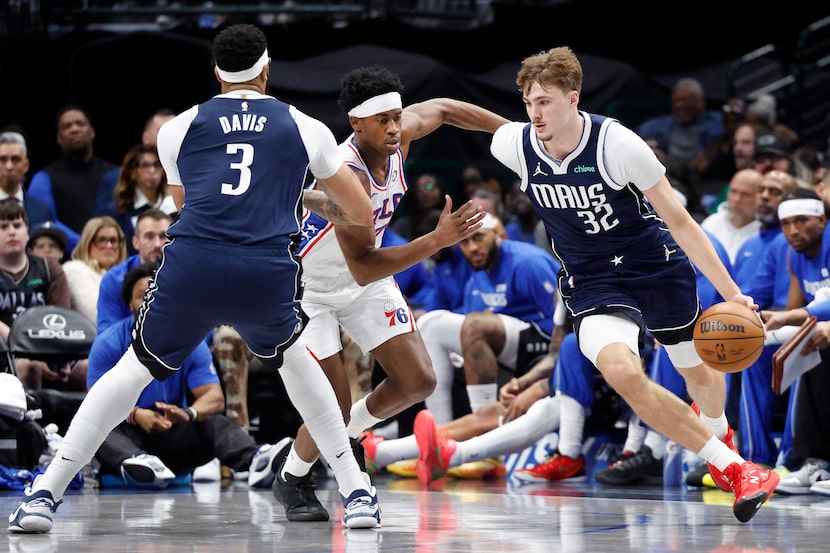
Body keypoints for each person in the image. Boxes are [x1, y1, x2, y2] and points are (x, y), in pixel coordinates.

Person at [8, 23, 380, 534]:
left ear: (217, 74)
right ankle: (357, 491)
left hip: (194, 268)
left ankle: (44, 495)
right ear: (267, 71)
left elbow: (188, 204)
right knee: (296, 360)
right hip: (263, 270)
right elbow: (360, 211)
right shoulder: (305, 126)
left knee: (132, 371)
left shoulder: (176, 128)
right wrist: (306, 194)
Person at [487, 46, 778, 523]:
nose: (534, 113)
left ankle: (718, 435)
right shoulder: (517, 144)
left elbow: (681, 222)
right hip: (594, 279)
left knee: (696, 369)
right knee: (624, 373)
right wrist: (416, 120)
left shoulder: (616, 145)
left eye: (544, 101)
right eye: (527, 102)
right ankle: (738, 468)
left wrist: (730, 294)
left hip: (654, 265)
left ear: (572, 99)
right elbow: (466, 116)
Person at [275, 63, 505, 523]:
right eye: (383, 121)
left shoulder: (400, 135)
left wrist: (514, 137)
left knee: (418, 381)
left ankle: (346, 438)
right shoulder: (344, 176)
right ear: (356, 124)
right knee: (332, 406)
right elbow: (362, 266)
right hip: (310, 289)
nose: (395, 127)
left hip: (364, 278)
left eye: (398, 116)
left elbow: (442, 109)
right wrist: (436, 242)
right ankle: (294, 477)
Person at [88, 262, 283, 489]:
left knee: (211, 420)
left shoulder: (190, 340)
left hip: (175, 433)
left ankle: (257, 459)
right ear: (130, 303)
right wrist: (136, 415)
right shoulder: (108, 343)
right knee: (96, 423)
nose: (151, 302)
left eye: (157, 295)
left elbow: (214, 396)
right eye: (143, 296)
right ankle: (139, 464)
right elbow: (96, 401)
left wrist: (187, 414)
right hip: (131, 434)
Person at [418, 212, 561, 429]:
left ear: (496, 235)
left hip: (542, 340)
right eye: (464, 242)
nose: (472, 248)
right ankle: (438, 432)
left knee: (475, 323)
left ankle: (481, 422)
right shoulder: (478, 272)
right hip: (507, 344)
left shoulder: (527, 262)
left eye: (478, 237)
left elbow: (563, 317)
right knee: (429, 324)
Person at [758, 189, 830, 495]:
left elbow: (797, 315)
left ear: (822, 219)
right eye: (786, 223)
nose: (793, 230)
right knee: (801, 345)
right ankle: (815, 462)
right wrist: (763, 328)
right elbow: (793, 312)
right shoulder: (795, 256)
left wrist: (791, 318)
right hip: (821, 328)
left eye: (801, 221)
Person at [0, 199, 80, 392]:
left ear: (27, 232)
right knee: (30, 366)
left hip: (50, 346)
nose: (12, 231)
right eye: (3, 226)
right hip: (6, 353)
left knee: (89, 368)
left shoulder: (49, 268)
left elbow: (62, 317)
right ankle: (34, 421)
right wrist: (32, 353)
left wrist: (61, 357)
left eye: (17, 225)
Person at [26, 105, 119, 252]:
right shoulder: (43, 178)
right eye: (66, 126)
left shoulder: (115, 174)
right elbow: (44, 221)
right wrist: (85, 246)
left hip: (113, 255)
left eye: (80, 124)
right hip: (67, 260)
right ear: (59, 138)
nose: (74, 129)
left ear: (92, 131)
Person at [96, 207, 172, 333]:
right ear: (136, 242)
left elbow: (203, 331)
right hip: (127, 349)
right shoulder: (114, 280)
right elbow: (107, 335)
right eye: (149, 236)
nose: (158, 244)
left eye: (164, 236)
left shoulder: (186, 276)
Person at [103, 144, 177, 255]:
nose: (152, 171)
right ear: (132, 171)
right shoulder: (117, 211)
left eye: (157, 165)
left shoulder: (174, 204)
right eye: (145, 165)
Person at [61, 216, 127, 324]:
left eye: (114, 240)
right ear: (88, 243)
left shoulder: (127, 274)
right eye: (101, 240)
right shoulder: (75, 269)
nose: (109, 246)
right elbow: (97, 314)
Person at [700, 168, 763, 264]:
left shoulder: (765, 231)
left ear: (760, 197)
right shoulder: (711, 223)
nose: (737, 199)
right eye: (733, 191)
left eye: (745, 194)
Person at [0, 131, 53, 229]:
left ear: (26, 165)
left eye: (15, 159)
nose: (9, 166)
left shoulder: (43, 210)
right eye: (2, 160)